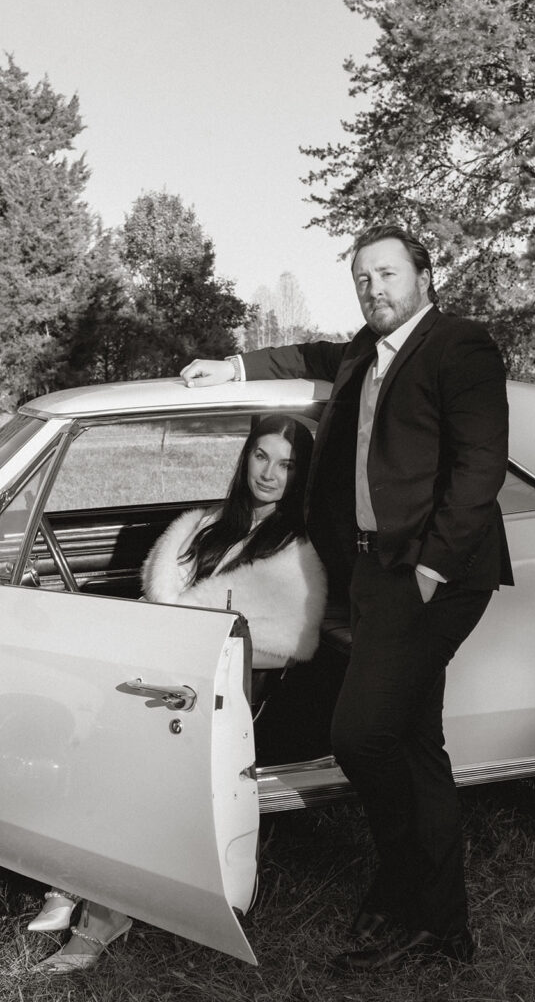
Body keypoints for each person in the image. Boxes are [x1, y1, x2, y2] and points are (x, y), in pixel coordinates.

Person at [179, 224, 514, 971]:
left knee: (362, 736)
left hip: (431, 574)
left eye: (387, 274)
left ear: (423, 275)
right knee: (415, 743)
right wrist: (234, 364)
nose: (374, 288)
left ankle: (406, 893)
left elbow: (479, 467)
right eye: (363, 278)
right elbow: (309, 357)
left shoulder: (460, 346)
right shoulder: (365, 349)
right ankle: (438, 923)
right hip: (369, 569)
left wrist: (430, 570)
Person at [29, 414, 327, 974]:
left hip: (226, 696)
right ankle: (73, 879)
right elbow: (159, 602)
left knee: (139, 763)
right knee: (95, 730)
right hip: (163, 679)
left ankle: (96, 920)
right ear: (245, 457)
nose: (269, 474)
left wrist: (200, 645)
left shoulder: (296, 550)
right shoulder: (202, 525)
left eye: (287, 465)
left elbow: (288, 645)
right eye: (261, 456)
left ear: (301, 475)